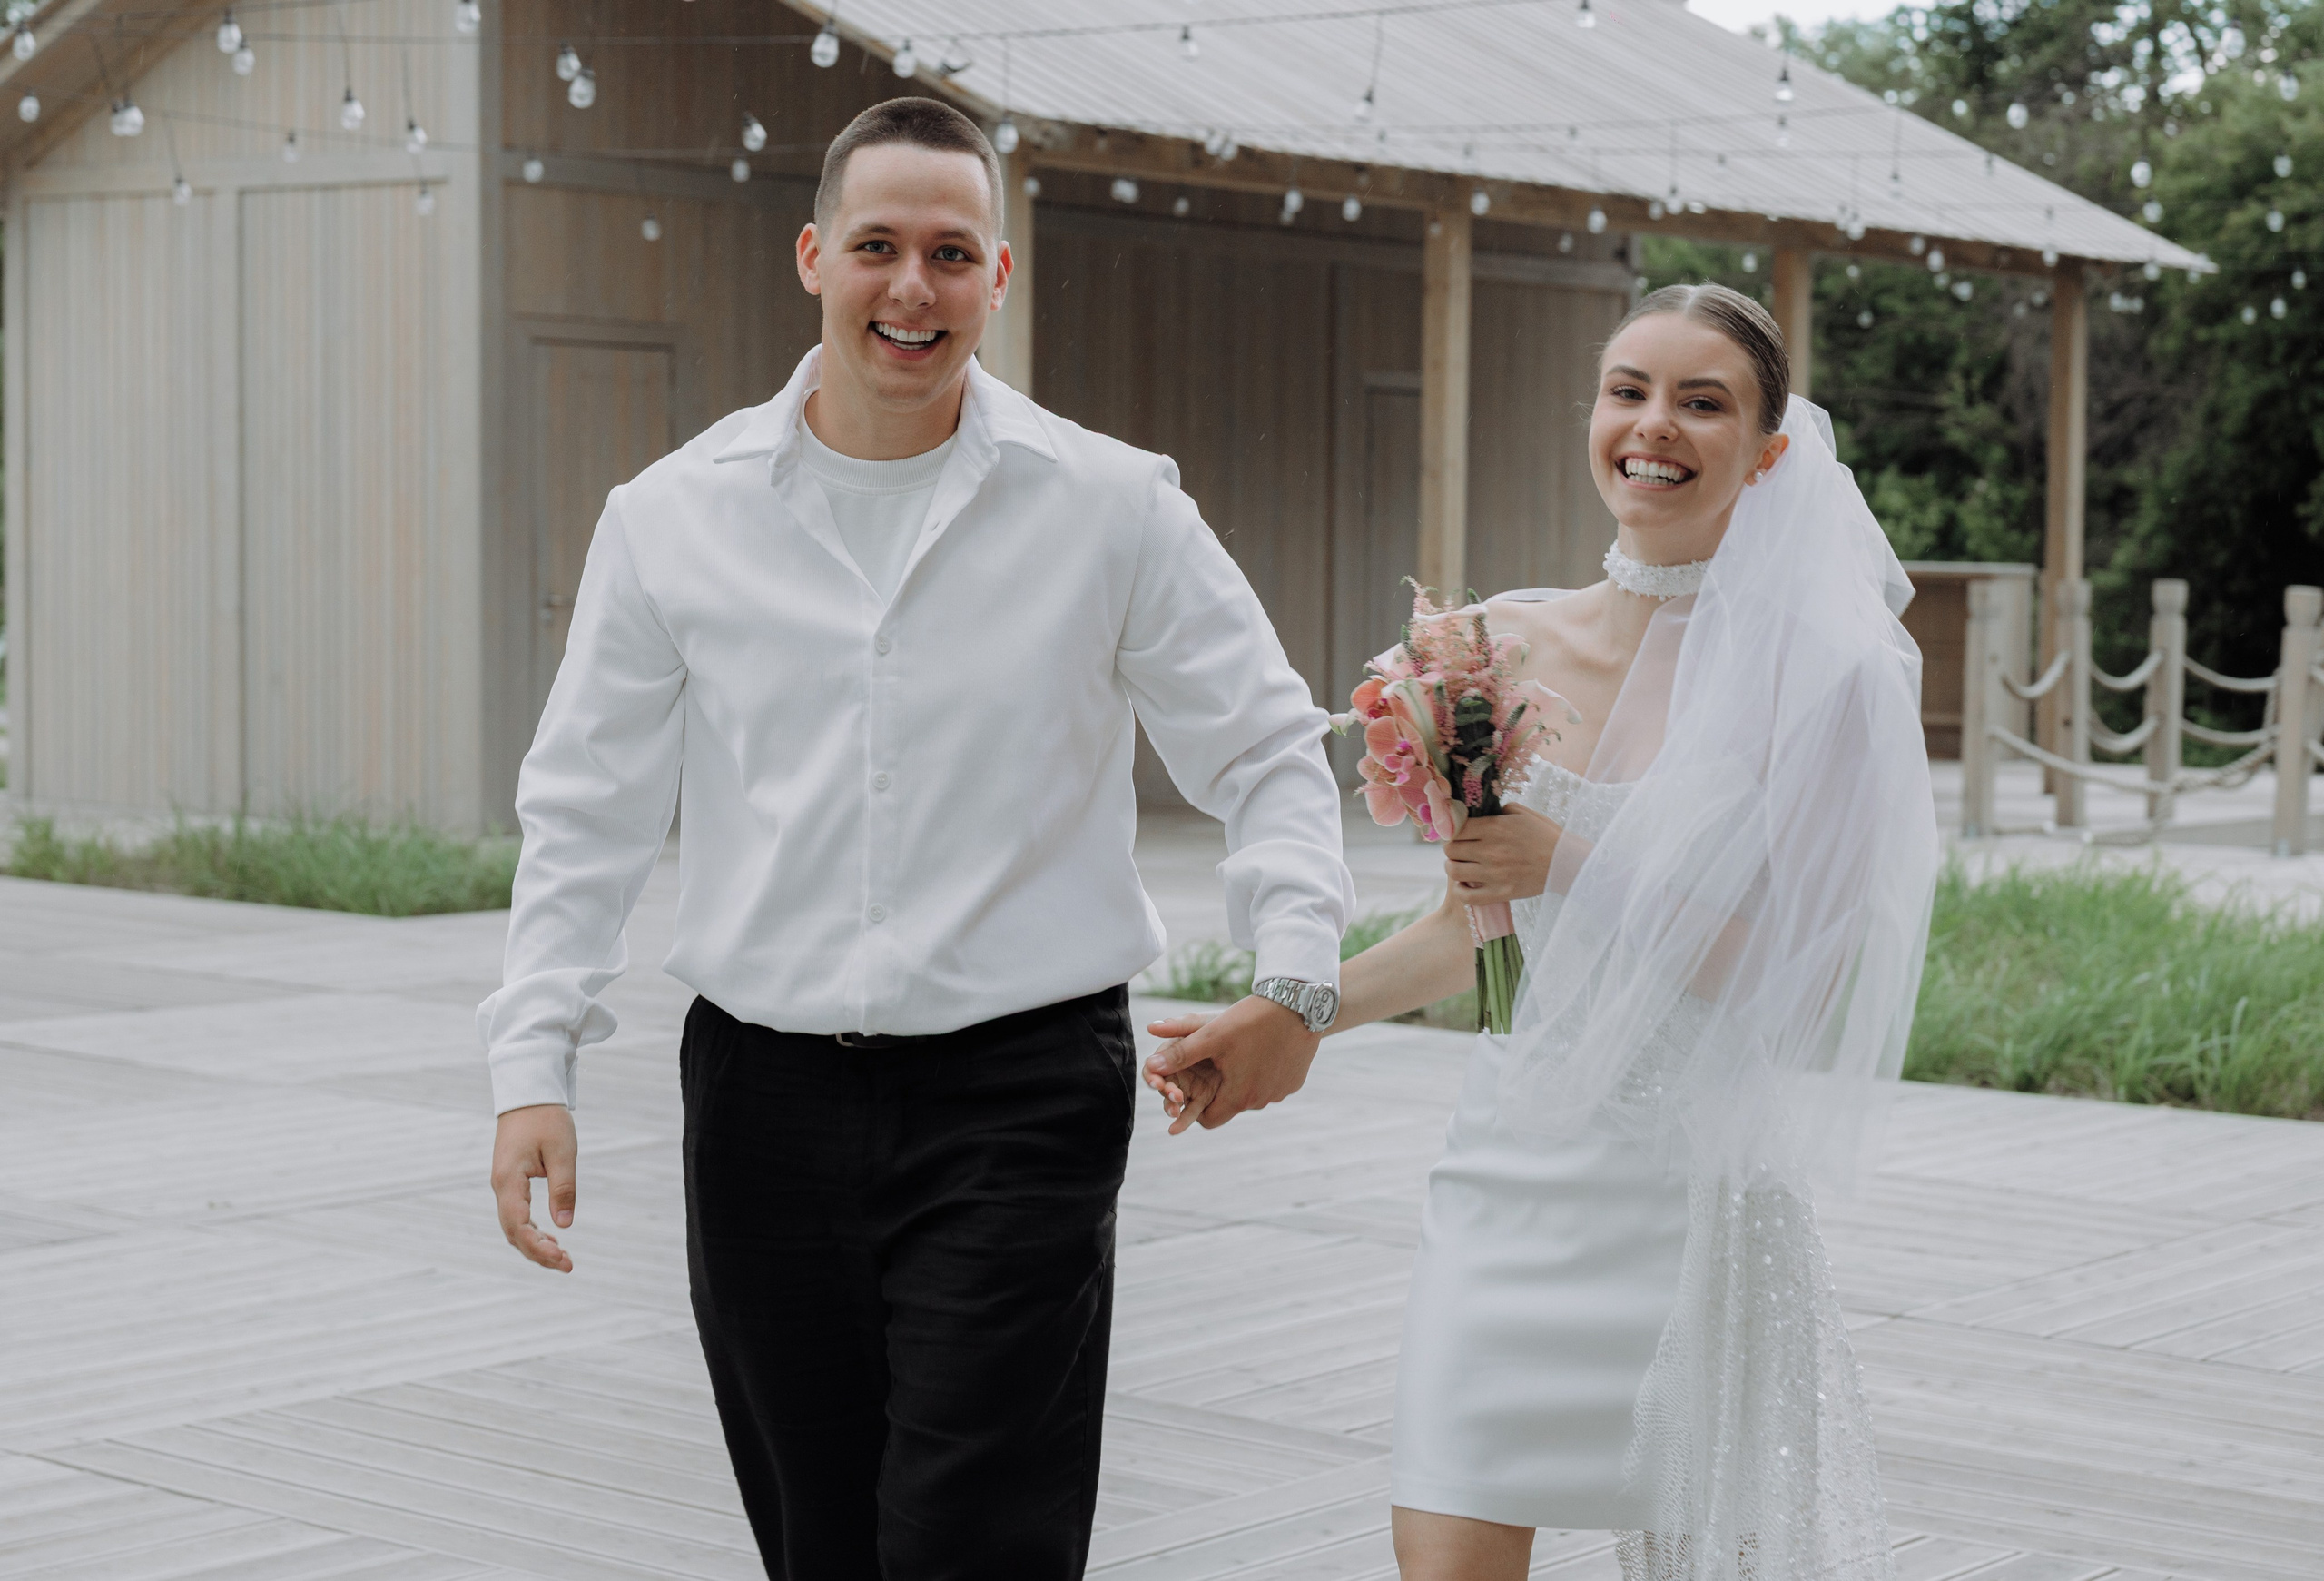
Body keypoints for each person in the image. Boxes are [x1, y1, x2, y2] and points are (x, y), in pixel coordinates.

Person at [479, 97, 1354, 1579]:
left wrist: (1298, 976)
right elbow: (586, 808)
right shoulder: (670, 517)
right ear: (813, 257)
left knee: (974, 1539)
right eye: (877, 246)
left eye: (951, 253)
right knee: (819, 1541)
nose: (912, 286)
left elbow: (1268, 747)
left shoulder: (1114, 507)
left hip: (1021, 1093)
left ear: (997, 277)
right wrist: (531, 1065)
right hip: (759, 1102)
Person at [1149, 283, 1938, 1581]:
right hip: (1509, 1181)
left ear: (1768, 452)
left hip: (1692, 1200)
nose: (1655, 425)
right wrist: (1293, 1009)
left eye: (1702, 402)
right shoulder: (1490, 648)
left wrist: (1576, 861)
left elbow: (1797, 971)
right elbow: (1469, 930)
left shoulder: (1827, 675)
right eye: (1629, 390)